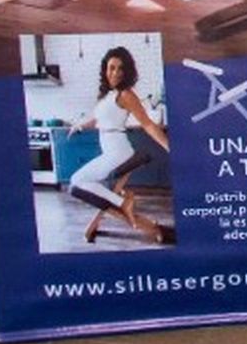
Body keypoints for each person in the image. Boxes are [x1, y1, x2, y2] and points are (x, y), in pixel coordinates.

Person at [68, 46, 173, 245]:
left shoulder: (125, 95)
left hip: (119, 151)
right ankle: (122, 202)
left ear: (127, 72)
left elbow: (148, 124)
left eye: (120, 69)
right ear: (105, 70)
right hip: (110, 149)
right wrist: (79, 126)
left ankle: (124, 203)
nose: (115, 73)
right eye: (111, 68)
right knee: (79, 184)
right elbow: (96, 119)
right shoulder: (108, 94)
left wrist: (169, 147)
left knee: (76, 181)